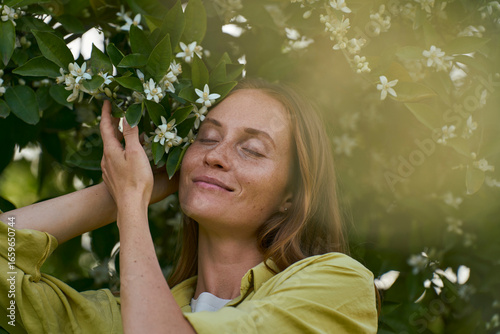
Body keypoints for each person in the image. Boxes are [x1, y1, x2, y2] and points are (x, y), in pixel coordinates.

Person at [0, 78, 378, 333]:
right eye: (206, 137)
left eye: (251, 150)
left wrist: (133, 203)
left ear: (290, 196)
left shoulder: (338, 285)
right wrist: (117, 191)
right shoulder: (123, 314)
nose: (216, 156)